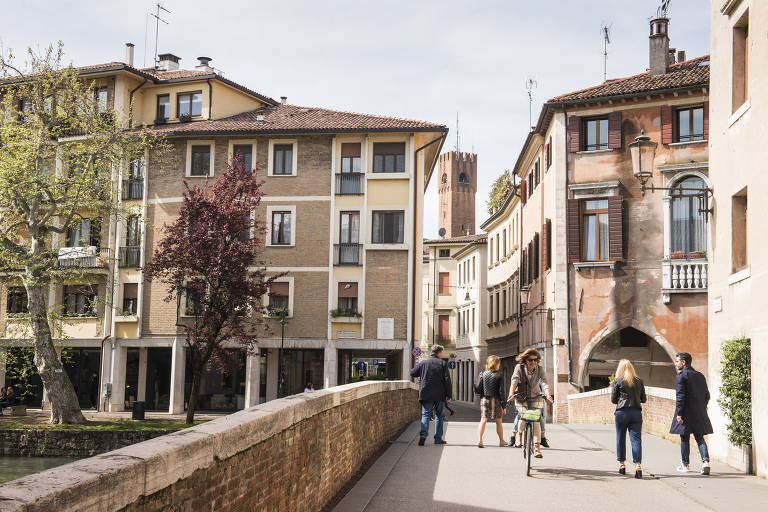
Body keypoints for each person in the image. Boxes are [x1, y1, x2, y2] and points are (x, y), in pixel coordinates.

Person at [670, 352, 713, 475]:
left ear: (683, 362)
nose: (676, 363)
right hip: (699, 412)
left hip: (685, 412)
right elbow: (707, 395)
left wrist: (679, 413)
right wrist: (701, 408)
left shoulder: (681, 376)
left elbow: (680, 397)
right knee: (700, 437)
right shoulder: (700, 375)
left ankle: (685, 465)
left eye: (677, 361)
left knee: (684, 437)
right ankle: (705, 463)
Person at [507, 348, 552, 458]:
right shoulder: (519, 368)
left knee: (536, 419)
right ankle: (519, 435)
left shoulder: (540, 369)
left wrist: (548, 395)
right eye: (530, 360)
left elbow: (545, 383)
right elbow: (514, 380)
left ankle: (537, 448)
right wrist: (511, 394)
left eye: (535, 360)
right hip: (521, 397)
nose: (533, 362)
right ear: (525, 360)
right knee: (522, 415)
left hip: (536, 397)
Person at [410, 344, 452, 446]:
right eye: (441, 352)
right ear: (439, 353)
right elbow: (447, 380)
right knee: (439, 416)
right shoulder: (442, 363)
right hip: (439, 394)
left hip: (426, 393)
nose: (442, 354)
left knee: (425, 414)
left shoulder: (424, 362)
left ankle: (423, 435)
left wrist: (422, 373)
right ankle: (438, 438)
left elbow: (412, 373)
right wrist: (449, 394)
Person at [611, 359, 647, 478]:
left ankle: (622, 465)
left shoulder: (617, 381)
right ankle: (637, 466)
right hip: (636, 412)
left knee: (620, 438)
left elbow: (613, 400)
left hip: (622, 412)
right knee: (636, 440)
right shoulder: (639, 381)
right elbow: (643, 399)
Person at [475, 355, 507, 448]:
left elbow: (478, 388)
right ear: (496, 364)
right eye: (499, 363)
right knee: (498, 421)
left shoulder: (483, 373)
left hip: (484, 399)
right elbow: (502, 391)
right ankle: (501, 441)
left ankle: (480, 440)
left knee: (483, 419)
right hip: (495, 399)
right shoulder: (499, 374)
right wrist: (503, 405)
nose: (500, 365)